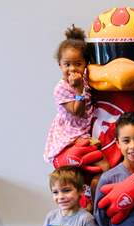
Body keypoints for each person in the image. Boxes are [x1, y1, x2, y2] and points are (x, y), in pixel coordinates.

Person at [53, 8, 134, 226]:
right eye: (112, 51)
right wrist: (62, 158)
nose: (120, 63)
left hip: (131, 202)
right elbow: (64, 127)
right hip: (80, 203)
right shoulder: (87, 92)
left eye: (130, 52)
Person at [43, 25, 110, 203]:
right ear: (59, 64)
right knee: (105, 166)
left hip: (83, 134)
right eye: (67, 65)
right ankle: (95, 204)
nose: (72, 69)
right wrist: (79, 88)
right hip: (72, 137)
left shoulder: (85, 78)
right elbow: (78, 112)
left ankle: (91, 202)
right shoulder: (62, 89)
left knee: (91, 173)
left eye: (78, 64)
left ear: (86, 64)